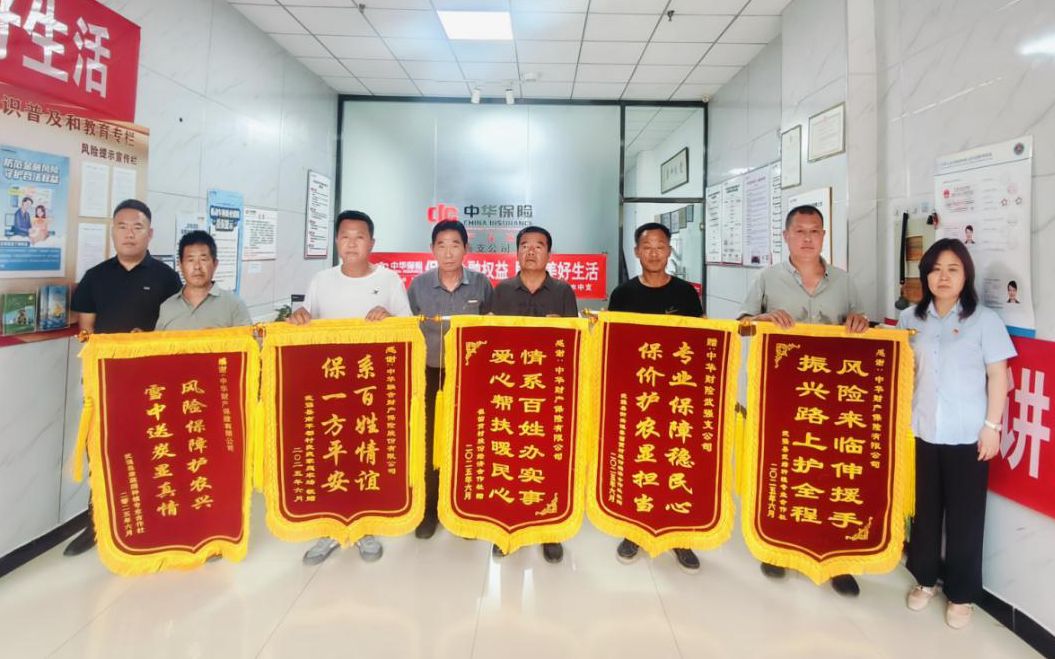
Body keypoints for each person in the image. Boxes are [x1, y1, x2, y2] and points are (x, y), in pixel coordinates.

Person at [739, 204, 869, 596]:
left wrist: (860, 324)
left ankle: (834, 557)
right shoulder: (767, 279)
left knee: (831, 473)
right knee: (781, 470)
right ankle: (777, 548)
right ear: (786, 236)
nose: (807, 238)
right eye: (800, 231)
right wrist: (760, 320)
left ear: (824, 236)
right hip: (780, 394)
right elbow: (741, 326)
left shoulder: (845, 283)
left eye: (815, 231)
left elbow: (864, 329)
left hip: (832, 400)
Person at [897, 239, 1014, 629]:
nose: (943, 277)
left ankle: (962, 595)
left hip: (968, 435)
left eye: (952, 269)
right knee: (925, 514)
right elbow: (901, 373)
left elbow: (998, 376)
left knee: (965, 518)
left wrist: (992, 427)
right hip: (921, 431)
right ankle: (925, 580)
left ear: (966, 275)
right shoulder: (910, 320)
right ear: (925, 275)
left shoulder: (984, 321)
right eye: (935, 269)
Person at [291, 210, 412, 566]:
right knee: (331, 457)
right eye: (345, 236)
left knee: (365, 456)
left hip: (371, 389)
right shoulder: (321, 280)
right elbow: (304, 322)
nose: (352, 243)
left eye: (359, 237)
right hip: (329, 390)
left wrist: (389, 319)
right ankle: (330, 529)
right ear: (336, 241)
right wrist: (298, 318)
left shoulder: (389, 280)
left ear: (372, 242)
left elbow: (408, 328)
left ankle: (365, 528)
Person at [65, 199, 182, 556]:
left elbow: (176, 328)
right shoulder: (95, 277)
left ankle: (152, 517)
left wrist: (146, 341)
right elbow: (86, 334)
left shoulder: (166, 278)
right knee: (101, 448)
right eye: (122, 226)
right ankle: (98, 521)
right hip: (104, 382)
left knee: (152, 447)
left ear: (150, 233)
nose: (129, 234)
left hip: (152, 382)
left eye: (137, 227)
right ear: (112, 231)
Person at [609, 221, 704, 573]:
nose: (653, 253)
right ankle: (634, 531)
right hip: (637, 395)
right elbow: (612, 344)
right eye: (646, 246)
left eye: (660, 246)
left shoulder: (685, 293)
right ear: (636, 251)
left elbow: (702, 339)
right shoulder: (622, 294)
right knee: (638, 461)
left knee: (677, 462)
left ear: (669, 250)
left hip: (677, 394)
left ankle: (679, 535)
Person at [490, 225, 577, 564]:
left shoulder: (563, 291)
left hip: (550, 391)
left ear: (549, 254)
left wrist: (562, 327)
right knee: (509, 457)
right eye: (524, 245)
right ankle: (508, 527)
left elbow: (576, 342)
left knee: (549, 460)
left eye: (538, 246)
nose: (531, 251)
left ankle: (549, 530)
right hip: (509, 390)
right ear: (516, 252)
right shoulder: (501, 291)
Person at [407, 219, 493, 539]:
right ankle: (430, 510)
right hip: (430, 375)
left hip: (469, 376)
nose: (448, 252)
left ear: (466, 249)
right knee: (431, 441)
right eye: (441, 245)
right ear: (432, 249)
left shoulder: (482, 284)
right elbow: (406, 328)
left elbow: (493, 326)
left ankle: (463, 510)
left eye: (455, 244)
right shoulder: (418, 286)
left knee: (467, 441)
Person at [156, 230, 251, 330]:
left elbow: (249, 340)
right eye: (190, 260)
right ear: (181, 265)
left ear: (215, 264)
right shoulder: (167, 307)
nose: (197, 266)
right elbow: (158, 340)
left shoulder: (234, 305)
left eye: (203, 259)